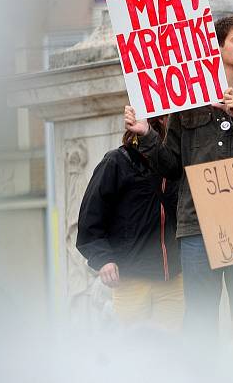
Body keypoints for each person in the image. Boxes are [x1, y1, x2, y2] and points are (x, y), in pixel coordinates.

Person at [124, 15, 233, 339]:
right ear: (216, 47)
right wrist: (146, 134)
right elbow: (170, 166)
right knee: (200, 321)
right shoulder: (187, 104)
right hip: (197, 226)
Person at [77, 115, 184, 329]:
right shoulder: (116, 162)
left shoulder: (178, 166)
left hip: (173, 277)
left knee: (172, 353)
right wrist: (103, 259)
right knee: (131, 353)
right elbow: (90, 219)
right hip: (130, 278)